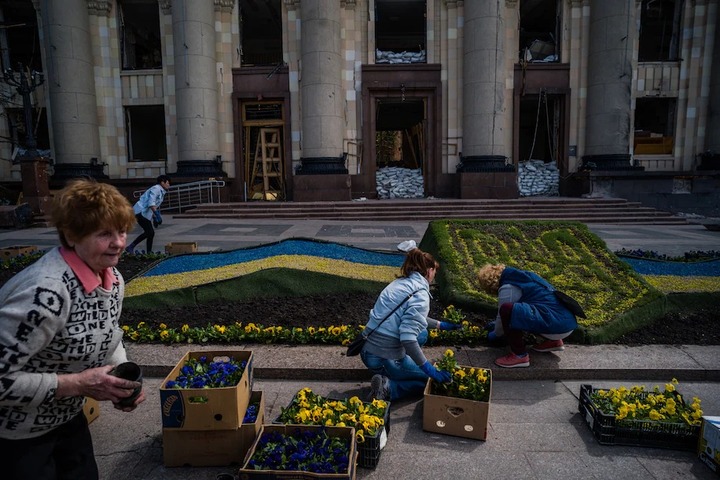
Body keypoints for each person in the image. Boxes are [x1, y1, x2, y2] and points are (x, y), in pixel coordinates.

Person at [0, 179, 146, 480]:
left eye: (121, 230)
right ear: (71, 235)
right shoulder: (44, 293)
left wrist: (120, 377)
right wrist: (78, 384)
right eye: (104, 233)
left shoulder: (112, 277)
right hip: (16, 437)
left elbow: (108, 331)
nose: (119, 242)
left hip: (67, 419)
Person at [361, 247, 462, 401]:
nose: (435, 275)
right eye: (435, 271)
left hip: (368, 348)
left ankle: (395, 373)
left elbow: (408, 317)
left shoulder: (400, 284)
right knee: (428, 382)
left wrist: (441, 325)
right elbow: (408, 338)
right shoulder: (421, 295)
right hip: (386, 357)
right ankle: (388, 387)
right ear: (428, 271)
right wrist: (430, 370)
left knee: (422, 333)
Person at [476, 263, 578, 368]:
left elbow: (502, 319)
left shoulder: (508, 288)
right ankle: (554, 342)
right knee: (532, 309)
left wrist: (494, 334)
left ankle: (519, 356)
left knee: (507, 310)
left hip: (556, 326)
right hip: (567, 324)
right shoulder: (524, 277)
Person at [126, 174, 171, 253]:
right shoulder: (156, 189)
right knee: (149, 232)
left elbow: (154, 205)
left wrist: (154, 217)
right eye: (167, 183)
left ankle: (148, 252)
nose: (169, 185)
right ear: (162, 182)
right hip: (140, 211)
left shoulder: (161, 191)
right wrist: (157, 215)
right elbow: (151, 203)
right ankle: (131, 247)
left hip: (145, 213)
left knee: (150, 233)